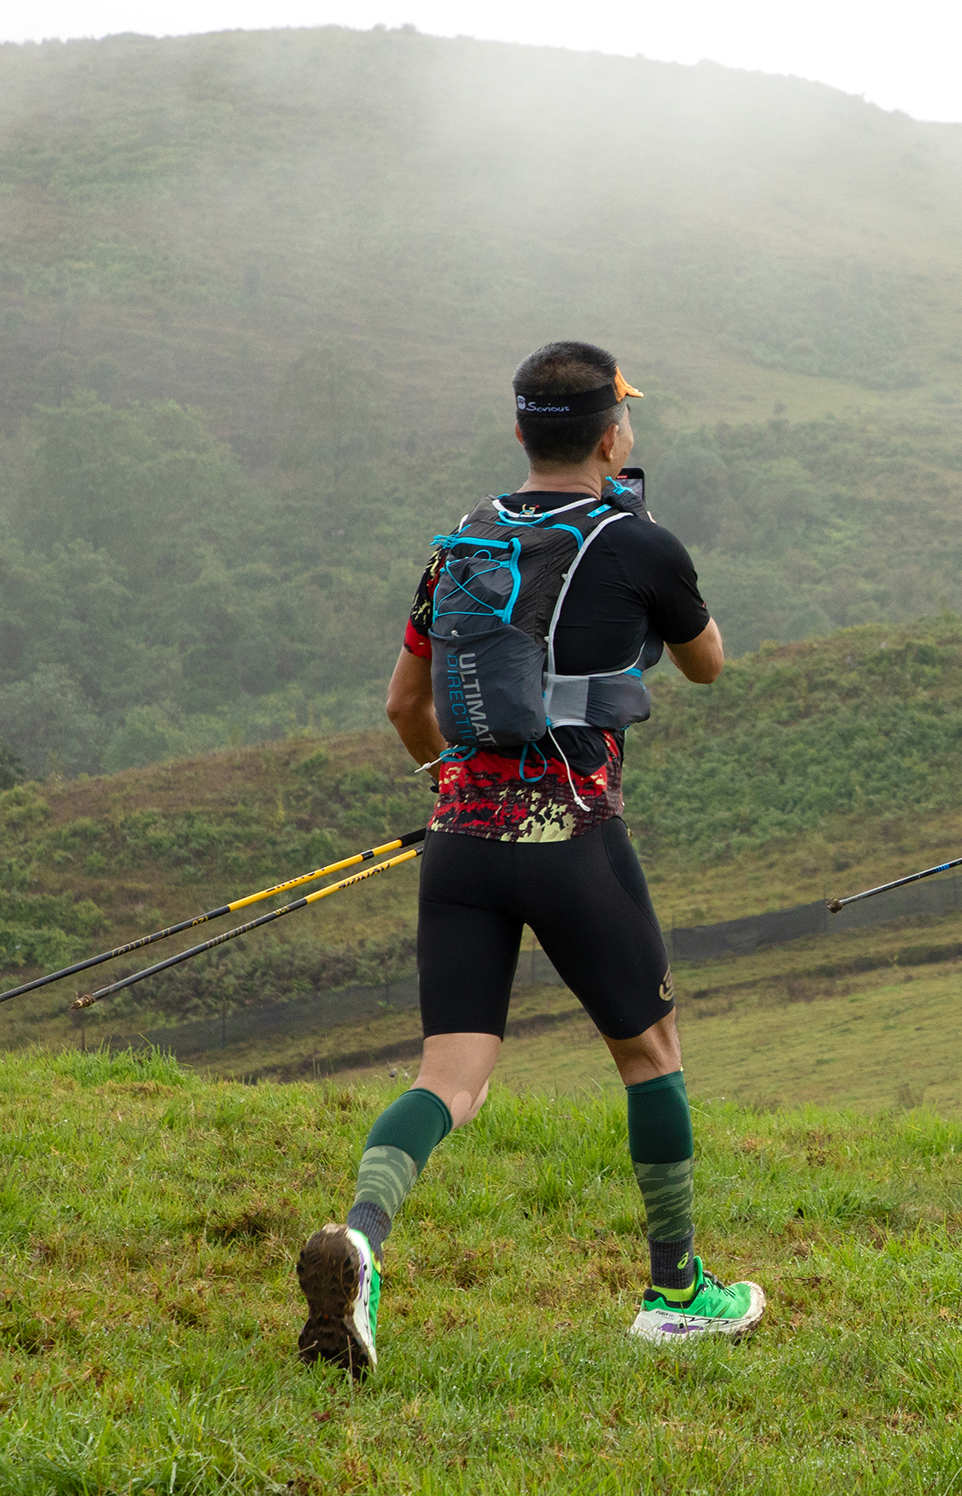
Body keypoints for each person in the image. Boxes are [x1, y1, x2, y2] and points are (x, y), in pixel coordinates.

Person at [295, 341, 762, 1376]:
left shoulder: (459, 545)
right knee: (650, 1051)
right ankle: (679, 1289)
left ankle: (363, 1240)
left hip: (461, 840)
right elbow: (711, 664)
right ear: (610, 436)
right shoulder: (639, 543)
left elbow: (403, 707)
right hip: (573, 836)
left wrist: (449, 783)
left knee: (451, 1074)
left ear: (518, 432)